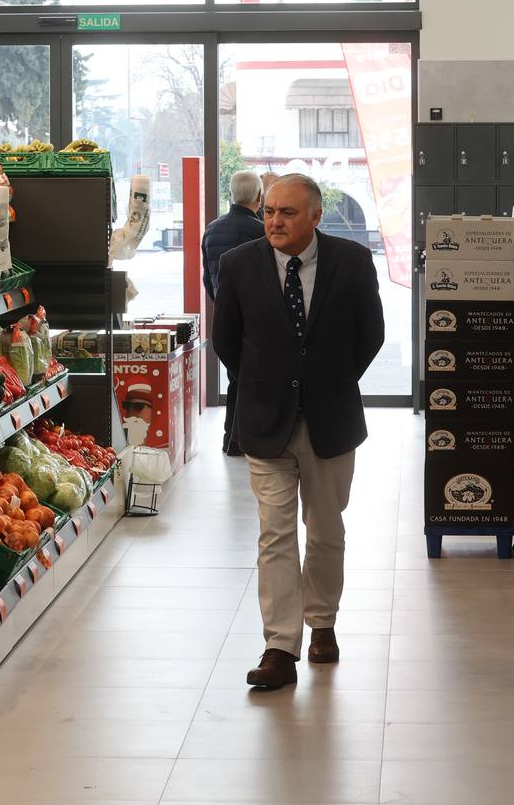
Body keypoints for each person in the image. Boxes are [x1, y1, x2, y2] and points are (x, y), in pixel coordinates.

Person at [211, 173, 385, 691]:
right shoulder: (238, 265)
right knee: (275, 532)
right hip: (265, 421)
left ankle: (323, 624)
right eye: (268, 212)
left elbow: (370, 336)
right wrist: (267, 385)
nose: (275, 222)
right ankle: (280, 645)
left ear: (315, 216)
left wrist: (328, 381)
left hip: (331, 419)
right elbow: (228, 342)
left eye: (287, 213)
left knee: (326, 528)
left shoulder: (351, 263)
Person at [201, 169, 266, 456]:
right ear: (259, 197)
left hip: (225, 313)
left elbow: (207, 276)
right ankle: (240, 440)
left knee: (235, 376)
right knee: (251, 378)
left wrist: (219, 300)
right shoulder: (261, 230)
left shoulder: (212, 228)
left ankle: (231, 438)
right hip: (255, 316)